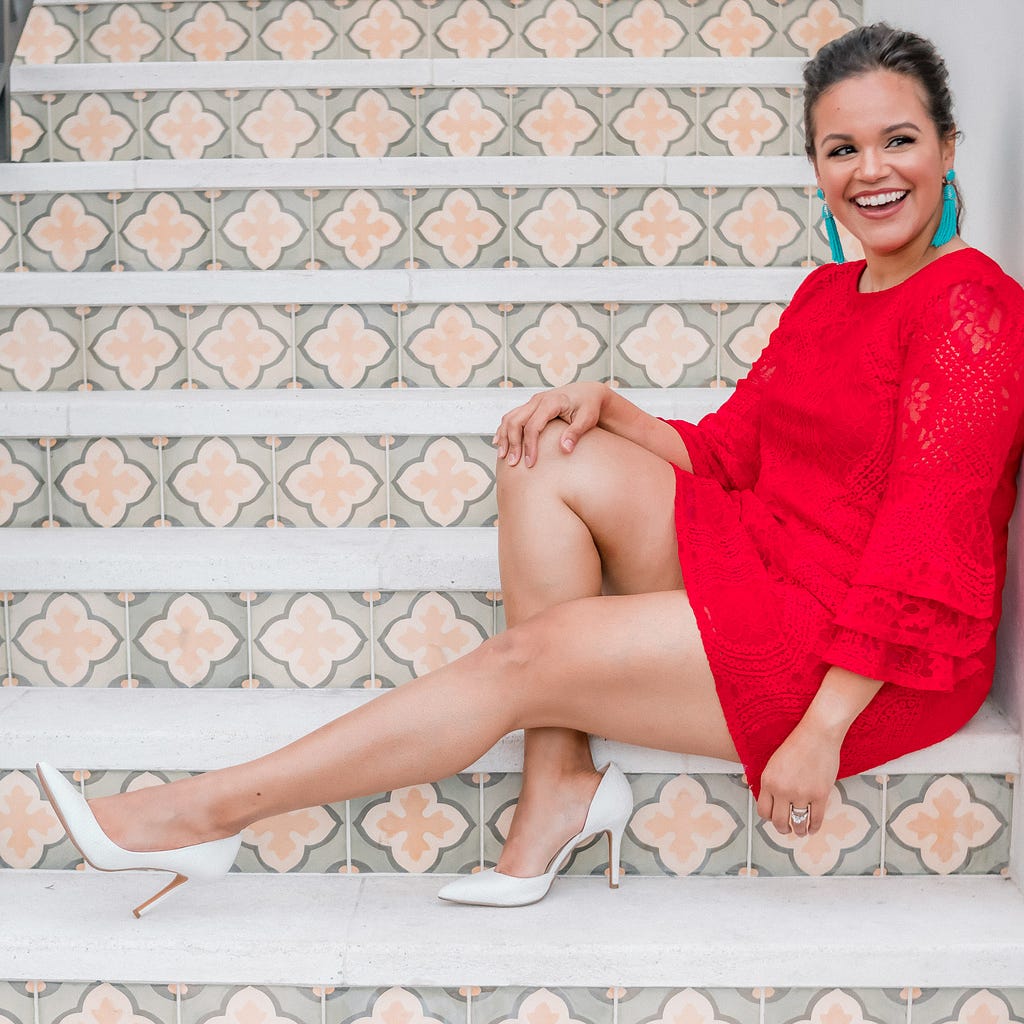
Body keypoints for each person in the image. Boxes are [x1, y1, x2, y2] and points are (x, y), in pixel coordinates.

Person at [37, 22, 1024, 917]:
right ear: (814, 166)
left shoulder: (973, 308)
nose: (871, 171)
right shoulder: (826, 291)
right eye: (839, 149)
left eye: (897, 140)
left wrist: (820, 731)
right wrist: (609, 403)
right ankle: (558, 782)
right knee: (548, 449)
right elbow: (732, 450)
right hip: (779, 560)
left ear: (944, 148)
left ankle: (202, 813)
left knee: (527, 659)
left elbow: (922, 541)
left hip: (877, 656)